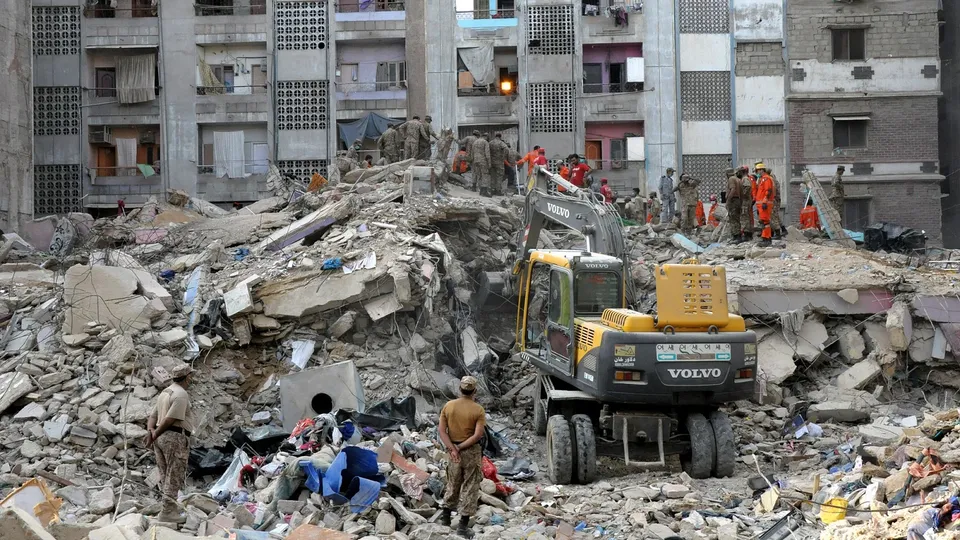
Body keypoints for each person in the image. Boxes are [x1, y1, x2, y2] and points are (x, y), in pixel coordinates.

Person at [145, 364, 194, 524]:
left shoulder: (165, 392)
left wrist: (151, 432)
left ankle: (169, 507)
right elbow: (170, 419)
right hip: (174, 437)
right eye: (190, 376)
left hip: (161, 438)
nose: (191, 378)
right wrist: (156, 433)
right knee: (174, 474)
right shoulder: (181, 394)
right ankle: (167, 512)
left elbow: (153, 416)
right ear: (187, 377)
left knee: (166, 474)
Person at [438, 376, 486, 539]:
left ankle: (445, 519)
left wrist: (453, 448)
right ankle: (462, 526)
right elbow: (478, 435)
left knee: (453, 482)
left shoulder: (448, 406)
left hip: (453, 452)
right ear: (475, 390)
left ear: (459, 389)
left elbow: (442, 431)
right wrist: (460, 447)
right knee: (470, 485)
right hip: (470, 451)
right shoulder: (478, 410)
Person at [754, 162, 776, 247]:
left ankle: (767, 239)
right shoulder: (763, 179)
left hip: (765, 204)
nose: (757, 172)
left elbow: (768, 190)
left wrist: (765, 201)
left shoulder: (766, 179)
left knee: (765, 221)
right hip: (762, 204)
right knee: (763, 221)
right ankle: (765, 237)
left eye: (758, 170)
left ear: (761, 170)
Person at [725, 168, 742, 242]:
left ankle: (736, 236)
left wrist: (728, 200)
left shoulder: (731, 179)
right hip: (738, 200)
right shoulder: (738, 179)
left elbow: (733, 189)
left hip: (733, 201)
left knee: (733, 218)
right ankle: (737, 235)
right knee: (737, 218)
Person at [739, 166, 754, 240]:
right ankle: (748, 233)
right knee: (746, 216)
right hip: (746, 200)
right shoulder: (745, 178)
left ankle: (746, 233)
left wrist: (743, 195)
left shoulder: (745, 179)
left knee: (745, 217)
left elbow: (747, 187)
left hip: (745, 201)